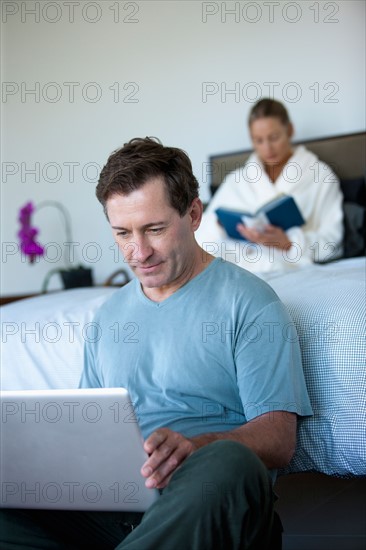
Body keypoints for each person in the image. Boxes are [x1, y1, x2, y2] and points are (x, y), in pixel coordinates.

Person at [0, 137, 313, 550]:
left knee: (230, 462)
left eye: (154, 229)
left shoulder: (250, 302)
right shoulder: (108, 317)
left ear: (194, 213)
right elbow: (89, 433)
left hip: (205, 496)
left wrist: (198, 447)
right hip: (115, 510)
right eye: (122, 233)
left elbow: (278, 438)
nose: (139, 252)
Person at [195, 98, 344, 274]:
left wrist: (290, 243)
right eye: (258, 140)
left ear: (290, 130)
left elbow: (333, 241)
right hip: (243, 270)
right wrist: (221, 225)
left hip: (292, 268)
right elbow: (201, 235)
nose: (267, 148)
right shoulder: (237, 179)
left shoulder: (321, 176)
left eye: (274, 137)